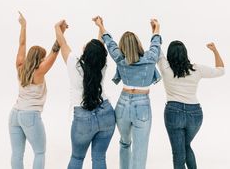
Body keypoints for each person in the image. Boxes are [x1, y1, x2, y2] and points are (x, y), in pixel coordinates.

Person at [93, 16, 162, 169]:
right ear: (138, 43)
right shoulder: (150, 58)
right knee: (140, 150)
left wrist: (100, 26)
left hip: (122, 104)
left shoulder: (119, 58)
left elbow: (109, 43)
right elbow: (156, 44)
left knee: (124, 143)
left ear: (122, 46)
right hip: (142, 105)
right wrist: (156, 28)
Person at [54, 19, 116, 169]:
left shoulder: (74, 63)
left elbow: (63, 45)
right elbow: (99, 47)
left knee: (77, 158)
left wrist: (57, 28)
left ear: (85, 52)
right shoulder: (102, 65)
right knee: (99, 158)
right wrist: (101, 26)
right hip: (107, 114)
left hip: (83, 118)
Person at [9, 12, 66, 169]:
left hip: (14, 115)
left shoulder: (20, 67)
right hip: (30, 116)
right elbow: (55, 51)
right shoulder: (39, 71)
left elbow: (22, 44)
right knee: (39, 153)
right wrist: (61, 32)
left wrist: (23, 25)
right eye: (43, 57)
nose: (44, 59)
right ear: (40, 59)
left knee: (17, 154)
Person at [158, 40, 225, 169]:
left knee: (178, 153)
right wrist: (215, 50)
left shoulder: (165, 68)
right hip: (195, 114)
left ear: (169, 55)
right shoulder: (196, 69)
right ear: (185, 53)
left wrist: (155, 30)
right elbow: (221, 70)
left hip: (174, 113)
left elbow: (157, 50)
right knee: (185, 146)